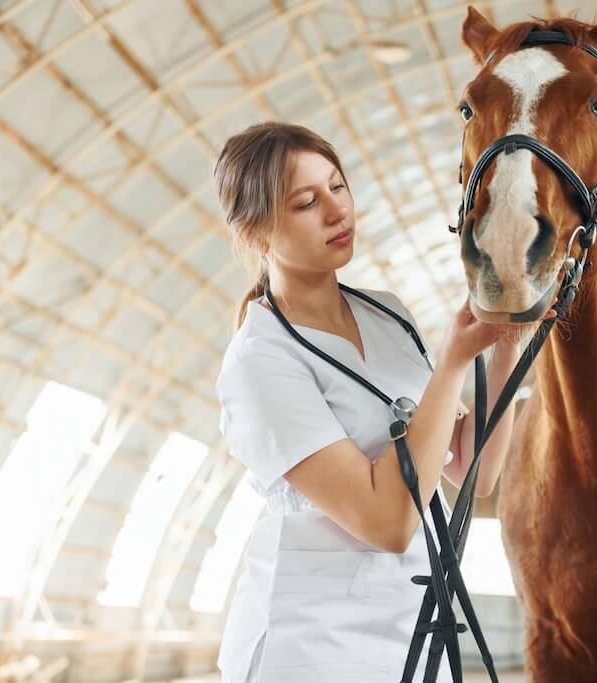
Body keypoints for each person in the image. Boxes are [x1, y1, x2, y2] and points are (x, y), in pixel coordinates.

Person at [211, 122, 553, 682]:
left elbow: (474, 472)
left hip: (412, 629)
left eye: (338, 187)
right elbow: (388, 521)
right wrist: (449, 366)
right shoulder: (260, 360)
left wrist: (505, 344)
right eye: (306, 202)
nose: (335, 211)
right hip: (314, 645)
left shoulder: (387, 313)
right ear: (256, 234)